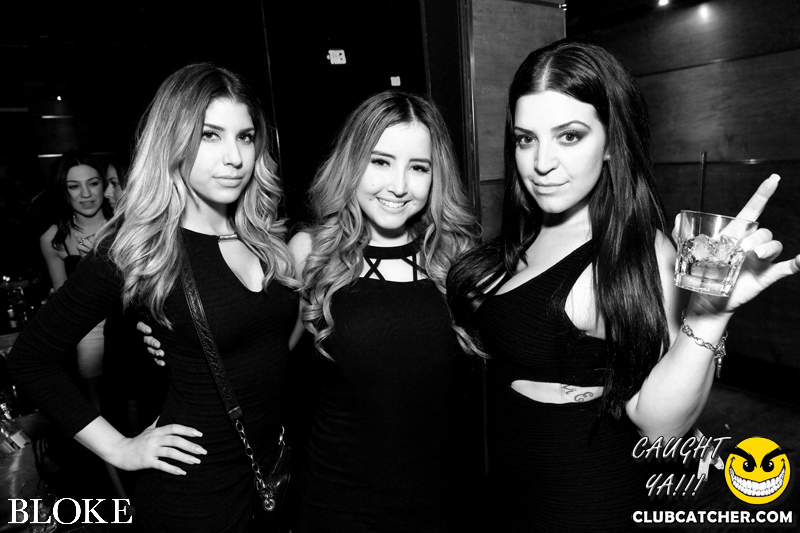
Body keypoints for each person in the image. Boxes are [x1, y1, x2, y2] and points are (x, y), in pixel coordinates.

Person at [446, 38, 800, 531]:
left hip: (582, 505)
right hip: (506, 498)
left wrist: (709, 316)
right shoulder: (524, 235)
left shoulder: (636, 253)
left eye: (569, 136)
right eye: (526, 138)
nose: (541, 162)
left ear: (612, 141)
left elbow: (659, 428)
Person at [9, 62, 300, 532]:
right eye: (210, 135)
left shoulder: (263, 234)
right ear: (172, 140)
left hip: (272, 469)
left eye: (245, 137)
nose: (235, 157)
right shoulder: (140, 245)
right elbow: (31, 358)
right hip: (196, 493)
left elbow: (268, 346)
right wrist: (120, 448)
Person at [287, 90, 481, 532]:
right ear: (352, 163)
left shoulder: (457, 259)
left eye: (418, 167)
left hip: (439, 504)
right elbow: (261, 362)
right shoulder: (311, 253)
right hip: (334, 505)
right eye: (380, 161)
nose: (398, 186)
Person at [39, 150, 113, 406]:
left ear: (104, 185)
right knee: (100, 406)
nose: (86, 194)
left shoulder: (127, 226)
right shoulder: (53, 239)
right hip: (89, 330)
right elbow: (65, 307)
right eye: (74, 186)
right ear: (63, 190)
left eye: (93, 183)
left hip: (133, 322)